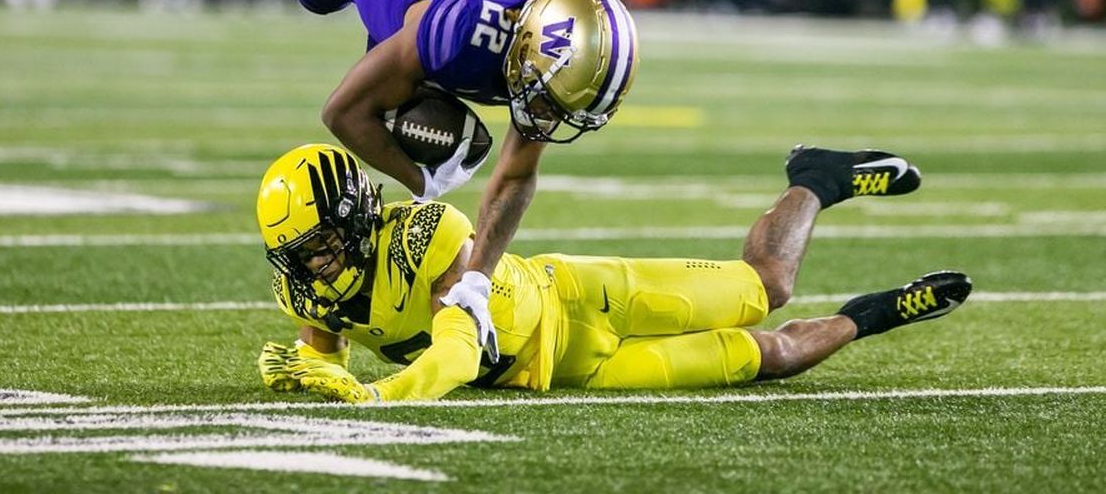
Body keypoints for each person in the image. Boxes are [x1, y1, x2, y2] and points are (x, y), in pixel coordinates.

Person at [291, 0, 640, 362]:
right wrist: (421, 184)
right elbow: (343, 112)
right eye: (559, 98)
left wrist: (476, 281)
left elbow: (516, 174)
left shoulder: (543, 47)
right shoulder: (458, 37)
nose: (552, 114)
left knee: (406, 85)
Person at [255, 143, 972, 402]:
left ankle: (815, 179)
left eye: (320, 244)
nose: (313, 266)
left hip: (587, 298)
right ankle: (876, 313)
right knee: (766, 358)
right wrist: (299, 370)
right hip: (576, 373)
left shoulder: (428, 234)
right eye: (298, 254)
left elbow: (455, 351)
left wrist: (381, 396)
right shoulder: (309, 288)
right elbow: (323, 355)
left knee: (764, 290)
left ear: (355, 219)